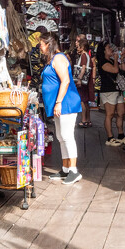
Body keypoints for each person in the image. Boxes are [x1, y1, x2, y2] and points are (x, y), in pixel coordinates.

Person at [38, 31, 83, 185]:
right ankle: (65, 168)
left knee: (67, 135)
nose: (40, 47)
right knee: (60, 136)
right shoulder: (52, 59)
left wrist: (58, 102)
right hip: (59, 105)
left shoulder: (59, 58)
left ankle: (74, 170)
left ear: (48, 44)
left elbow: (65, 81)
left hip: (66, 103)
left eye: (41, 44)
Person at [95, 42, 125, 146]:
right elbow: (115, 70)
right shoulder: (103, 62)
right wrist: (116, 59)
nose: (111, 50)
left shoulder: (112, 60)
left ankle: (121, 135)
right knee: (110, 114)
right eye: (108, 48)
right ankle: (110, 137)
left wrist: (121, 59)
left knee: (121, 113)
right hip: (108, 90)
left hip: (117, 89)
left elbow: (123, 70)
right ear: (103, 50)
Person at [74, 34, 94, 128]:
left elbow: (83, 68)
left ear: (82, 47)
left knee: (82, 101)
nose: (77, 48)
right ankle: (88, 120)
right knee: (85, 101)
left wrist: (79, 79)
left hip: (82, 82)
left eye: (78, 47)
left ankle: (83, 120)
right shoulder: (88, 55)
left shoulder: (83, 56)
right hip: (86, 81)